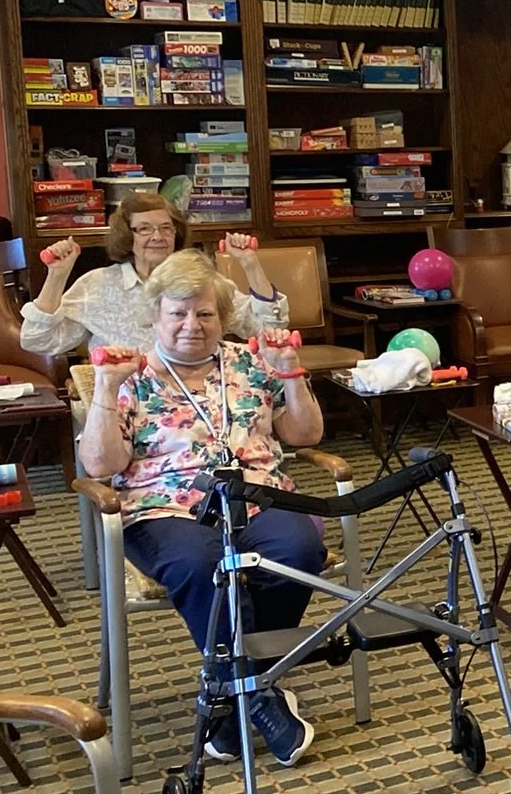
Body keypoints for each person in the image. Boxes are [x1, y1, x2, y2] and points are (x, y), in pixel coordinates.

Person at [77, 250, 325, 766]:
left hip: (257, 495)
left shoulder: (252, 363)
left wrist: (293, 376)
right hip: (164, 507)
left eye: (205, 314)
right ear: (156, 316)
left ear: (222, 318)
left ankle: (233, 696)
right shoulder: (132, 375)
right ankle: (257, 695)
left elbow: (305, 435)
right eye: (178, 313)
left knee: (299, 549)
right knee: (201, 565)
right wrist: (104, 387)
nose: (193, 325)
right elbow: (100, 465)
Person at [23, 193, 283, 356]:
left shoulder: (200, 279)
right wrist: (57, 275)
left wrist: (250, 265)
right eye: (144, 229)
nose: (158, 237)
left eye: (166, 228)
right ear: (127, 235)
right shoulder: (97, 284)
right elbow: (38, 341)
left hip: (198, 397)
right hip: (124, 403)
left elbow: (267, 328)